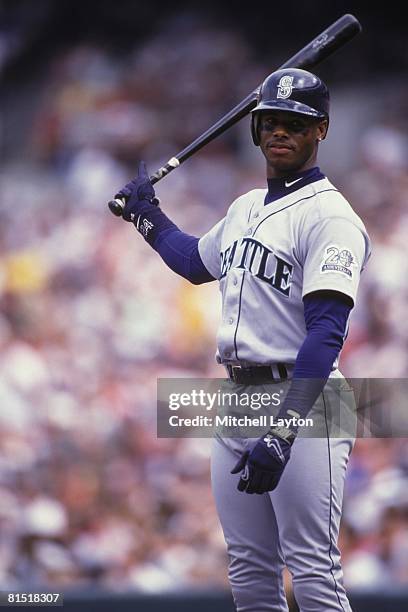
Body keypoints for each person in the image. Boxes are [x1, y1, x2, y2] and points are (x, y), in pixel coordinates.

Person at [113, 68, 371, 611]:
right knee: (249, 570)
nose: (280, 132)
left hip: (305, 400)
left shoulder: (332, 216)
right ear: (256, 130)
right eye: (270, 122)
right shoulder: (246, 207)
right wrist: (146, 215)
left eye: (294, 123)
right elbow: (193, 262)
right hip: (236, 396)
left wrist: (282, 432)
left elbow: (326, 332)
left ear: (320, 129)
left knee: (312, 570)